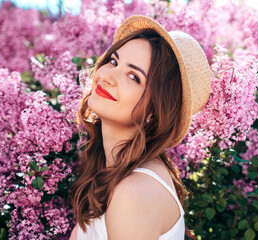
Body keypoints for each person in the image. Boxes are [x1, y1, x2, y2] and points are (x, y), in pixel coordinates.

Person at [69, 15, 211, 240]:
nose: (108, 76)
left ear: (155, 111)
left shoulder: (133, 192)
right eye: (114, 61)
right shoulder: (116, 171)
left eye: (134, 77)